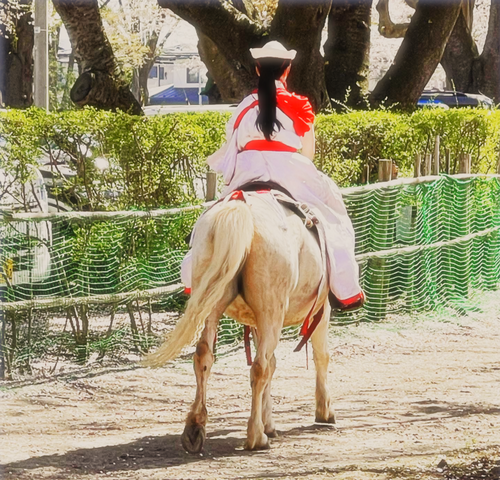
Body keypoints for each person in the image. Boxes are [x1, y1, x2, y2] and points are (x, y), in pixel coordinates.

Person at [182, 40, 364, 311]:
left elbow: (232, 146)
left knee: (211, 217)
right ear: (287, 70)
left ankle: (192, 278)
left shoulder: (243, 107)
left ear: (257, 70)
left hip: (248, 169)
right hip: (290, 169)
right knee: (332, 215)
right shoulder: (300, 105)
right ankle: (343, 289)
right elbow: (308, 153)